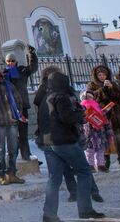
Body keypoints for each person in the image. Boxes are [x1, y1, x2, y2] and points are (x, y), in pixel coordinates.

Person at [37, 72, 105, 221]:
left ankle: (49, 214)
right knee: (84, 172)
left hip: (48, 143)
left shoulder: (45, 98)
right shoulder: (61, 97)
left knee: (54, 179)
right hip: (64, 141)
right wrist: (81, 116)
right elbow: (67, 117)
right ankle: (85, 209)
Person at [86, 65, 120, 169]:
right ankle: (105, 161)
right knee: (104, 138)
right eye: (99, 75)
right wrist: (102, 89)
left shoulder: (112, 83)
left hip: (116, 114)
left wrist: (112, 87)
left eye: (104, 75)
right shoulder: (92, 85)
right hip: (102, 114)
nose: (102, 77)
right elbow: (91, 97)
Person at [3, 47, 38, 161]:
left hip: (22, 106)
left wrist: (32, 54)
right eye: (8, 61)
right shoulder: (3, 73)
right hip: (9, 108)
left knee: (23, 133)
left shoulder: (22, 71)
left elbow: (33, 68)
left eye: (12, 61)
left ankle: (26, 154)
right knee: (12, 134)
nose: (10, 63)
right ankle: (13, 156)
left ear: (16, 62)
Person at [79, 90, 115, 172]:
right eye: (87, 97)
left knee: (100, 149)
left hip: (100, 132)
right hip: (88, 133)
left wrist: (109, 132)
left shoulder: (97, 106)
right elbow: (80, 120)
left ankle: (100, 165)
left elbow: (104, 119)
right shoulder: (81, 107)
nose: (89, 99)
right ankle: (90, 165)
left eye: (91, 97)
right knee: (89, 150)